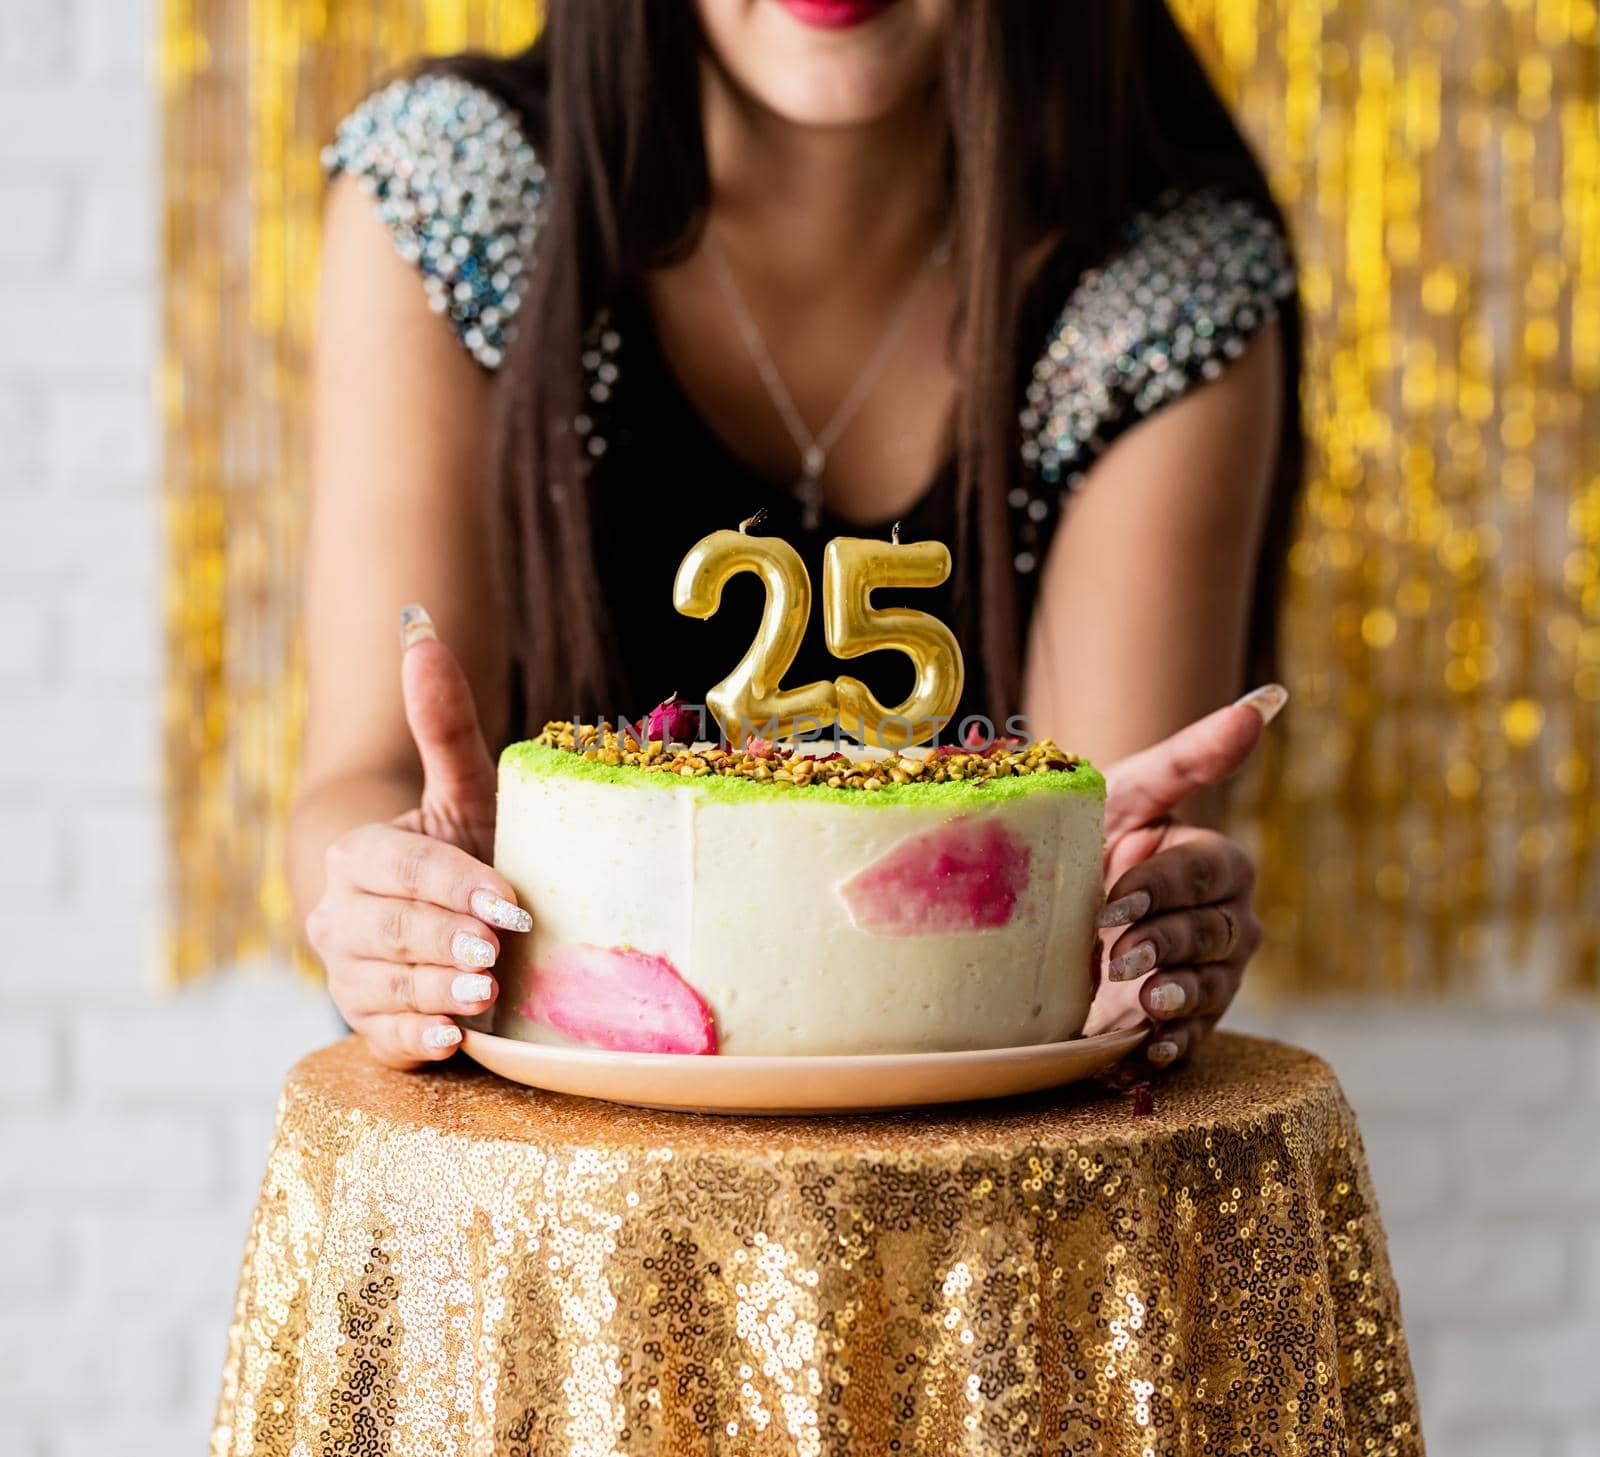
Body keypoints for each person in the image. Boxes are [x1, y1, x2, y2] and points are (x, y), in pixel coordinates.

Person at [293, 0, 1302, 1071]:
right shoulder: (451, 188)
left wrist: (1118, 919)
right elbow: (362, 777)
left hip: (970, 1177)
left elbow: (1093, 870)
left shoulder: (1162, 284)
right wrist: (396, 905)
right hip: (535, 1167)